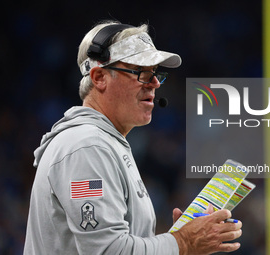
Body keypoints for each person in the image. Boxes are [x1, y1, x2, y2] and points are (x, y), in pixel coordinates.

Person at [24, 20, 242, 255]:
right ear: (99, 78)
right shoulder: (87, 146)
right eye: (141, 73)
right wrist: (183, 242)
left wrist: (183, 240)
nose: (155, 83)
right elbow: (109, 251)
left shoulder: (104, 142)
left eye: (155, 74)